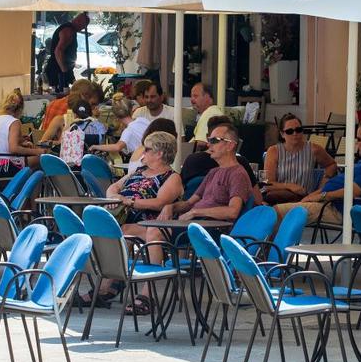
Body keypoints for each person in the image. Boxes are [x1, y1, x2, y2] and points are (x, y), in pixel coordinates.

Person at [97, 130, 184, 309]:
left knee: (145, 232)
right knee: (111, 230)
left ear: (159, 153)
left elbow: (160, 203)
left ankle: (148, 294)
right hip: (127, 221)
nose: (142, 152)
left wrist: (130, 202)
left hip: (155, 224)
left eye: (147, 149)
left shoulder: (172, 177)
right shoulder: (139, 171)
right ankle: (108, 284)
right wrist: (115, 198)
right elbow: (113, 187)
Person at [274, 120, 361, 228]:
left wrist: (321, 196)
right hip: (328, 203)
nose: (357, 144)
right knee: (277, 212)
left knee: (275, 212)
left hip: (336, 210)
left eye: (359, 139)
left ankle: (269, 250)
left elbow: (353, 191)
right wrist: (312, 196)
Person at [162, 123, 251, 224]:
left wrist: (195, 213)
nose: (209, 144)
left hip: (209, 229)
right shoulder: (213, 172)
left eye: (214, 140)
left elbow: (233, 211)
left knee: (154, 231)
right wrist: (171, 207)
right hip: (192, 224)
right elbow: (189, 203)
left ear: (230, 145)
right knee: (147, 229)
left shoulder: (238, 174)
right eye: (209, 140)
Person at [262, 113, 337, 205]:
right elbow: (267, 184)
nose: (295, 134)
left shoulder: (313, 149)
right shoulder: (274, 151)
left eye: (298, 130)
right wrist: (290, 186)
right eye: (290, 131)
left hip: (305, 199)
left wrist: (323, 184)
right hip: (279, 199)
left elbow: (331, 165)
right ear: (282, 134)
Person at [0, 89, 41, 176]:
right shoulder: (14, 122)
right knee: (41, 159)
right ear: (20, 109)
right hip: (5, 167)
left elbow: (2, 141)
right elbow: (14, 149)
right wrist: (37, 152)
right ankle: (28, 188)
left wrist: (19, 140)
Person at [45, 13, 89, 91]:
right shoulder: (68, 31)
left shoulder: (70, 30)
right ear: (78, 21)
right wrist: (64, 71)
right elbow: (58, 51)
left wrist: (68, 74)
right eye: (83, 26)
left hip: (62, 69)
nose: (82, 29)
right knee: (60, 95)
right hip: (58, 71)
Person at [189, 81, 225, 146]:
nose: (191, 100)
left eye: (195, 96)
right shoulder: (209, 112)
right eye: (191, 96)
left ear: (208, 98)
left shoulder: (210, 113)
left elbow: (200, 143)